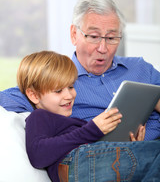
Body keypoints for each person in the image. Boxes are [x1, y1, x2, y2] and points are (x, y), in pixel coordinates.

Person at [17, 50, 160, 182]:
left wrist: (131, 146)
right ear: (34, 95)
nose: (69, 95)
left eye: (71, 87)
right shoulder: (39, 116)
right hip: (76, 162)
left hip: (94, 161)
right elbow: (38, 154)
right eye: (58, 90)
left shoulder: (74, 122)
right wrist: (92, 129)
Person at [70, 0, 160, 141]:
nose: (103, 48)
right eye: (93, 36)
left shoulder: (140, 68)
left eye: (111, 38)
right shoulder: (57, 81)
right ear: (74, 34)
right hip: (105, 157)